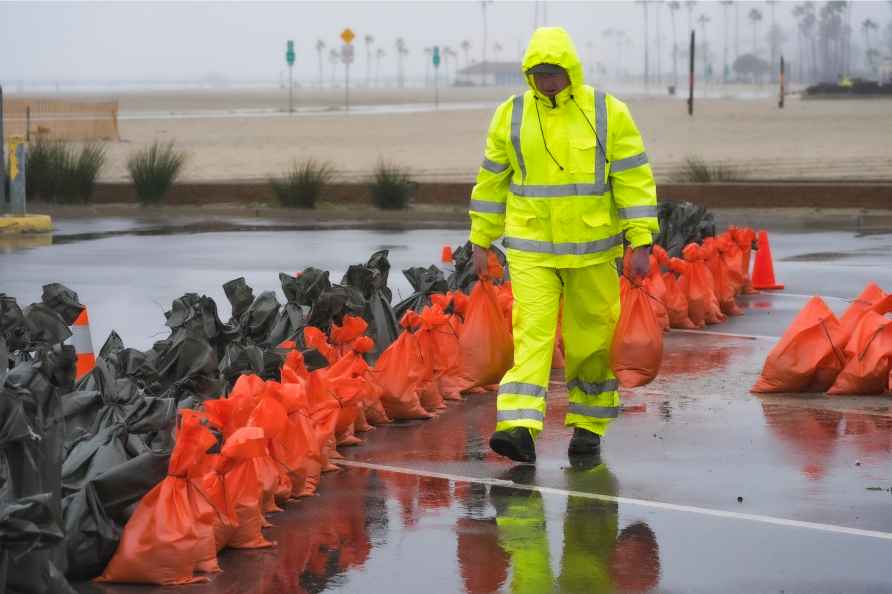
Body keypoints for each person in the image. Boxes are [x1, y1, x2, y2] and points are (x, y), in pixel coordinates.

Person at [468, 27, 658, 463]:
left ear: (570, 70)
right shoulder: (510, 114)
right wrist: (481, 238)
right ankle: (518, 427)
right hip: (532, 248)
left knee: (590, 341)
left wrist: (641, 239)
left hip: (593, 250)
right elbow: (491, 180)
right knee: (531, 336)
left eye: (554, 73)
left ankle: (588, 426)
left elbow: (633, 177)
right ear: (528, 74)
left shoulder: (607, 111)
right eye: (539, 74)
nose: (547, 81)